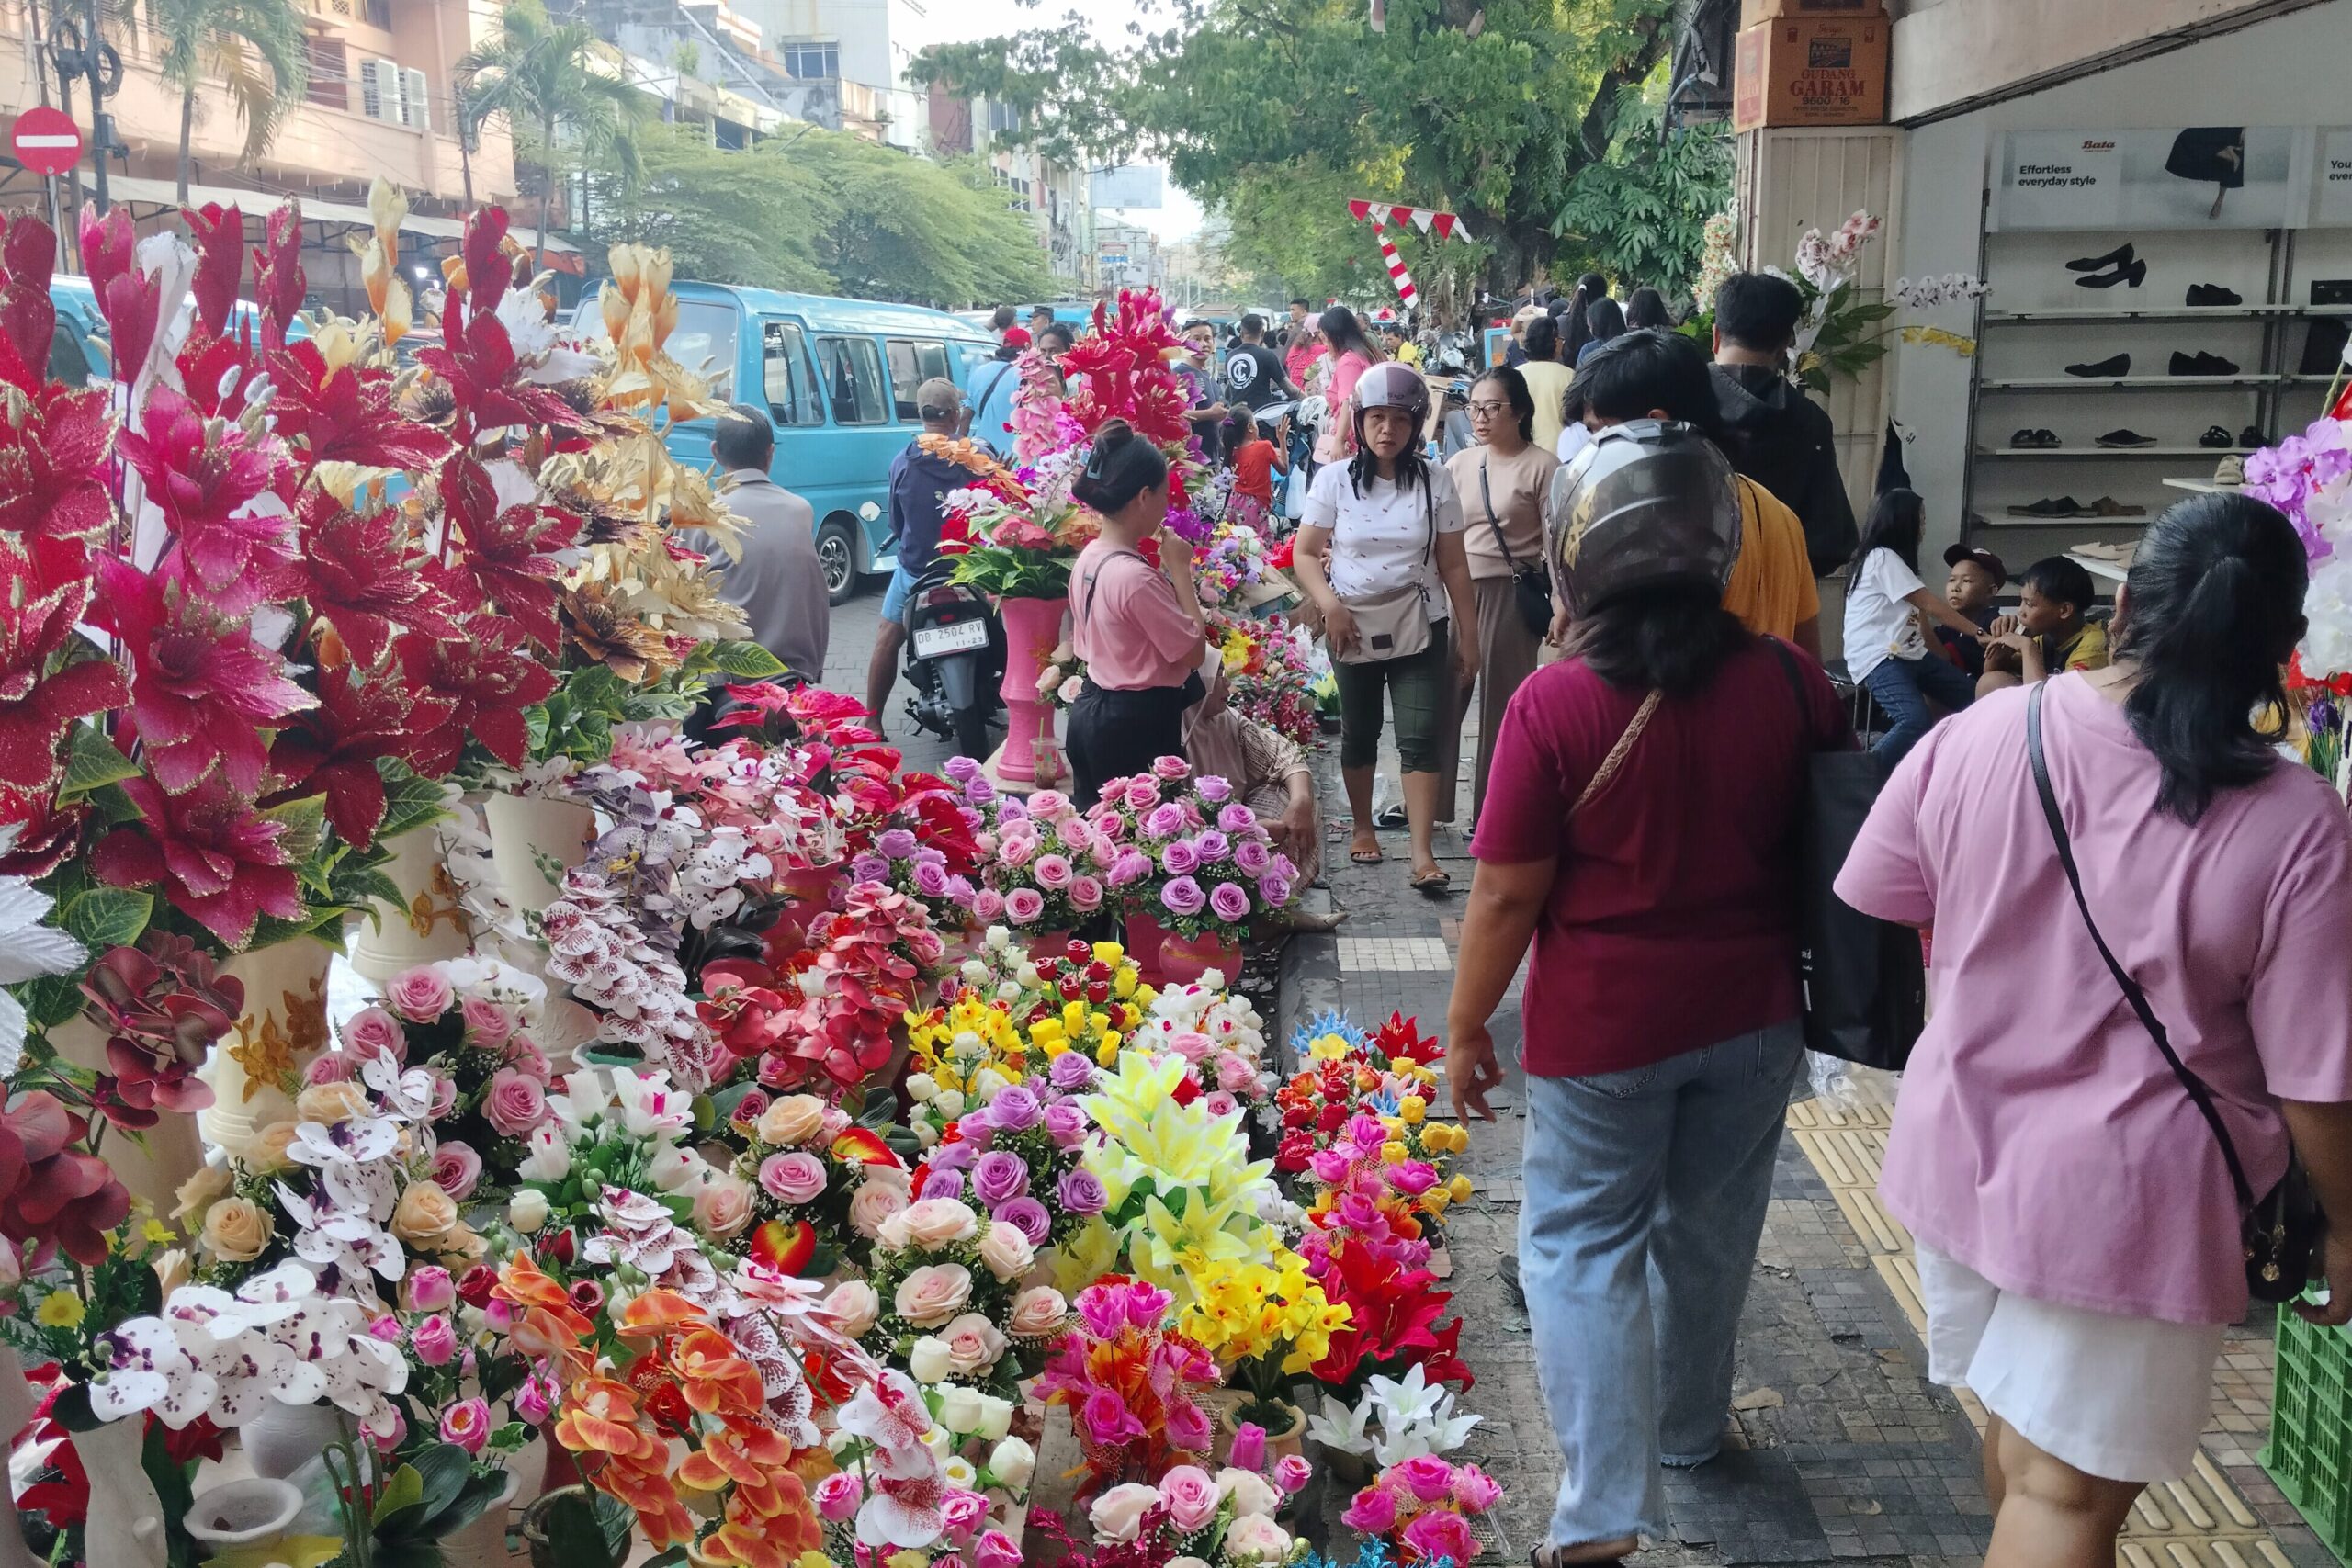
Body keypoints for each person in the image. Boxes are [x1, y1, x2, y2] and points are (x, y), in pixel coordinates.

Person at [1834, 492, 2352, 1568]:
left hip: (1958, 1152)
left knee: (2023, 1450)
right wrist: (2348, 1227)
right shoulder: (2298, 821)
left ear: (2118, 614)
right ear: (2286, 651)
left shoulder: (1983, 733)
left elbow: (1882, 891)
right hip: (2129, 1199)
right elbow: (2313, 1072)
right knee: (2061, 1496)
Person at [1446, 421, 1847, 1568]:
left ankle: (1601, 1510)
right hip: (1756, 1013)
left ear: (1577, 558)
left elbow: (1506, 897)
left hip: (1603, 1031)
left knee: (1577, 1244)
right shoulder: (1788, 679)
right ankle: (1684, 1433)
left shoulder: (1556, 703)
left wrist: (1467, 1025)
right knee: (1711, 1232)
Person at [1295, 363, 1479, 893]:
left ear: (1416, 423)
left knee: (1420, 737)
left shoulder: (1435, 481)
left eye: (1400, 419)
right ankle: (1361, 826)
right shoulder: (1334, 480)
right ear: (1359, 421)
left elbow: (1455, 565)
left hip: (1422, 623)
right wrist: (1329, 604)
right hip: (1349, 623)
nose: (1388, 430)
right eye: (1377, 417)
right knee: (1361, 730)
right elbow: (1306, 553)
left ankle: (1421, 853)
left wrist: (1470, 636)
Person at [1571, 330, 1820, 660]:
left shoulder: (1647, 534)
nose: (1590, 450)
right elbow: (1808, 658)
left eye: (1596, 431)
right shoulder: (1778, 514)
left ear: (1655, 424)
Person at [1065, 421, 1212, 807]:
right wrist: (1181, 572)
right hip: (1133, 725)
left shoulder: (1090, 559)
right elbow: (1194, 652)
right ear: (1144, 496)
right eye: (1164, 495)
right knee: (1144, 848)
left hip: (1093, 712)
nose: (1167, 505)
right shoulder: (1134, 577)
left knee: (1103, 839)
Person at [1446, 365, 1558, 822]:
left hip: (1511, 594)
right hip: (1457, 591)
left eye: (1492, 407)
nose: (1481, 417)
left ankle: (1491, 813)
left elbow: (1555, 543)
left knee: (1501, 706)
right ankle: (1432, 806)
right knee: (1446, 695)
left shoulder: (1544, 466)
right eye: (1474, 407)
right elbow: (1441, 534)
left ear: (1520, 411)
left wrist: (1564, 606)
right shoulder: (1459, 463)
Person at [1709, 273, 1859, 575]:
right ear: (1784, 348)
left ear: (1716, 336)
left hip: (1680, 602)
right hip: (1774, 605)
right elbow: (1832, 541)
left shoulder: (1676, 401)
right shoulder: (1810, 421)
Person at [682, 404, 829, 684]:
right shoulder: (801, 510)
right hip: (793, 676)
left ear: (714, 451)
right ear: (770, 452)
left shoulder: (696, 516)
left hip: (723, 681)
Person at [866, 379, 981, 728]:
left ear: (921, 415)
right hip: (971, 570)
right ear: (956, 414)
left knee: (888, 637)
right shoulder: (976, 458)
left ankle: (872, 720)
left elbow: (898, 525)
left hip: (918, 572)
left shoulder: (903, 462)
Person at [1842, 489, 1984, 761]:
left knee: (1977, 699)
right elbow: (1931, 605)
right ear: (1903, 522)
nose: (1923, 527)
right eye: (1921, 519)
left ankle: (1958, 765)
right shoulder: (1882, 558)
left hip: (1910, 654)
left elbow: (1920, 616)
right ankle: (1863, 776)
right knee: (1913, 720)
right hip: (1880, 657)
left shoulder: (1887, 560)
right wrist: (1979, 634)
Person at [1183, 653, 1335, 908]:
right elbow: (1177, 827)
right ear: (1200, 682)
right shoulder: (1173, 737)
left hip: (1232, 833)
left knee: (1292, 796)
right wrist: (1251, 831)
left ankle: (1271, 910)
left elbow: (1284, 755)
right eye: (1218, 675)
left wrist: (1301, 802)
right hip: (1196, 851)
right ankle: (1248, 918)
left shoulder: (1227, 721)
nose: (1227, 686)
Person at [1978, 555, 2110, 694]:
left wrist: (2027, 647)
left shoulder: (2093, 645)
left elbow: (2050, 701)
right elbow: (1991, 674)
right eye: (2021, 601)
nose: (2020, 611)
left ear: (2064, 610)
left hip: (2070, 710)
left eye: (2029, 604)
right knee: (1991, 682)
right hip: (2047, 705)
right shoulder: (2044, 636)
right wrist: (2001, 645)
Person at [1313, 305, 1382, 465]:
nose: (1325, 346)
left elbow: (1349, 402)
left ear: (1336, 336)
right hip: (1372, 434)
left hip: (1354, 442)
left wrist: (1339, 440)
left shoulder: (1349, 362)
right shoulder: (1371, 354)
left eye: (1325, 339)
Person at [1938, 542, 2006, 680]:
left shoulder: (1993, 624)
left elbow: (1944, 655)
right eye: (1951, 580)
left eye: (1966, 581)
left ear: (1990, 591)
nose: (1955, 588)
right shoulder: (1949, 626)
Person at [966, 326, 1029, 455]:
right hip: (1011, 458)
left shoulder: (979, 371)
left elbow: (965, 416)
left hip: (981, 453)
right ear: (1026, 349)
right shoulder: (1024, 377)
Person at [1517, 314, 1574, 455]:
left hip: (1524, 453)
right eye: (1561, 339)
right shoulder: (1570, 376)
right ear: (1555, 342)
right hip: (1561, 453)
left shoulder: (1515, 376)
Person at [1224, 407, 1287, 532]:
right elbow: (1284, 470)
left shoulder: (1232, 451)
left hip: (1234, 503)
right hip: (1255, 508)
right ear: (1250, 428)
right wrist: (1282, 439)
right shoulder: (1264, 447)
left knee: (1234, 542)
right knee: (1255, 544)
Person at [1224, 312, 1299, 413]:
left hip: (1237, 416)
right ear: (1263, 333)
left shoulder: (1230, 356)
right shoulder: (1267, 355)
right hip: (1262, 417)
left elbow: (1229, 392)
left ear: (1241, 333)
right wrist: (1311, 401)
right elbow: (1290, 390)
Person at [1178, 321, 1230, 463]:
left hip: (1213, 461)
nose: (1203, 344)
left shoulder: (1210, 377)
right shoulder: (1180, 374)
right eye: (1196, 339)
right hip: (1191, 464)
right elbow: (1174, 416)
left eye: (1207, 339)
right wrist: (1209, 414)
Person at [1575, 297, 1626, 367]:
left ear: (1597, 325)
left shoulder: (1589, 350)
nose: (1589, 331)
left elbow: (1579, 377)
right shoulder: (1633, 346)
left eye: (1589, 327)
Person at [1284, 299, 1324, 388]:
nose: (1291, 313)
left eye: (1293, 310)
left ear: (1303, 312)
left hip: (1295, 389)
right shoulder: (1324, 350)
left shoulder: (1296, 345)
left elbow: (1285, 357)